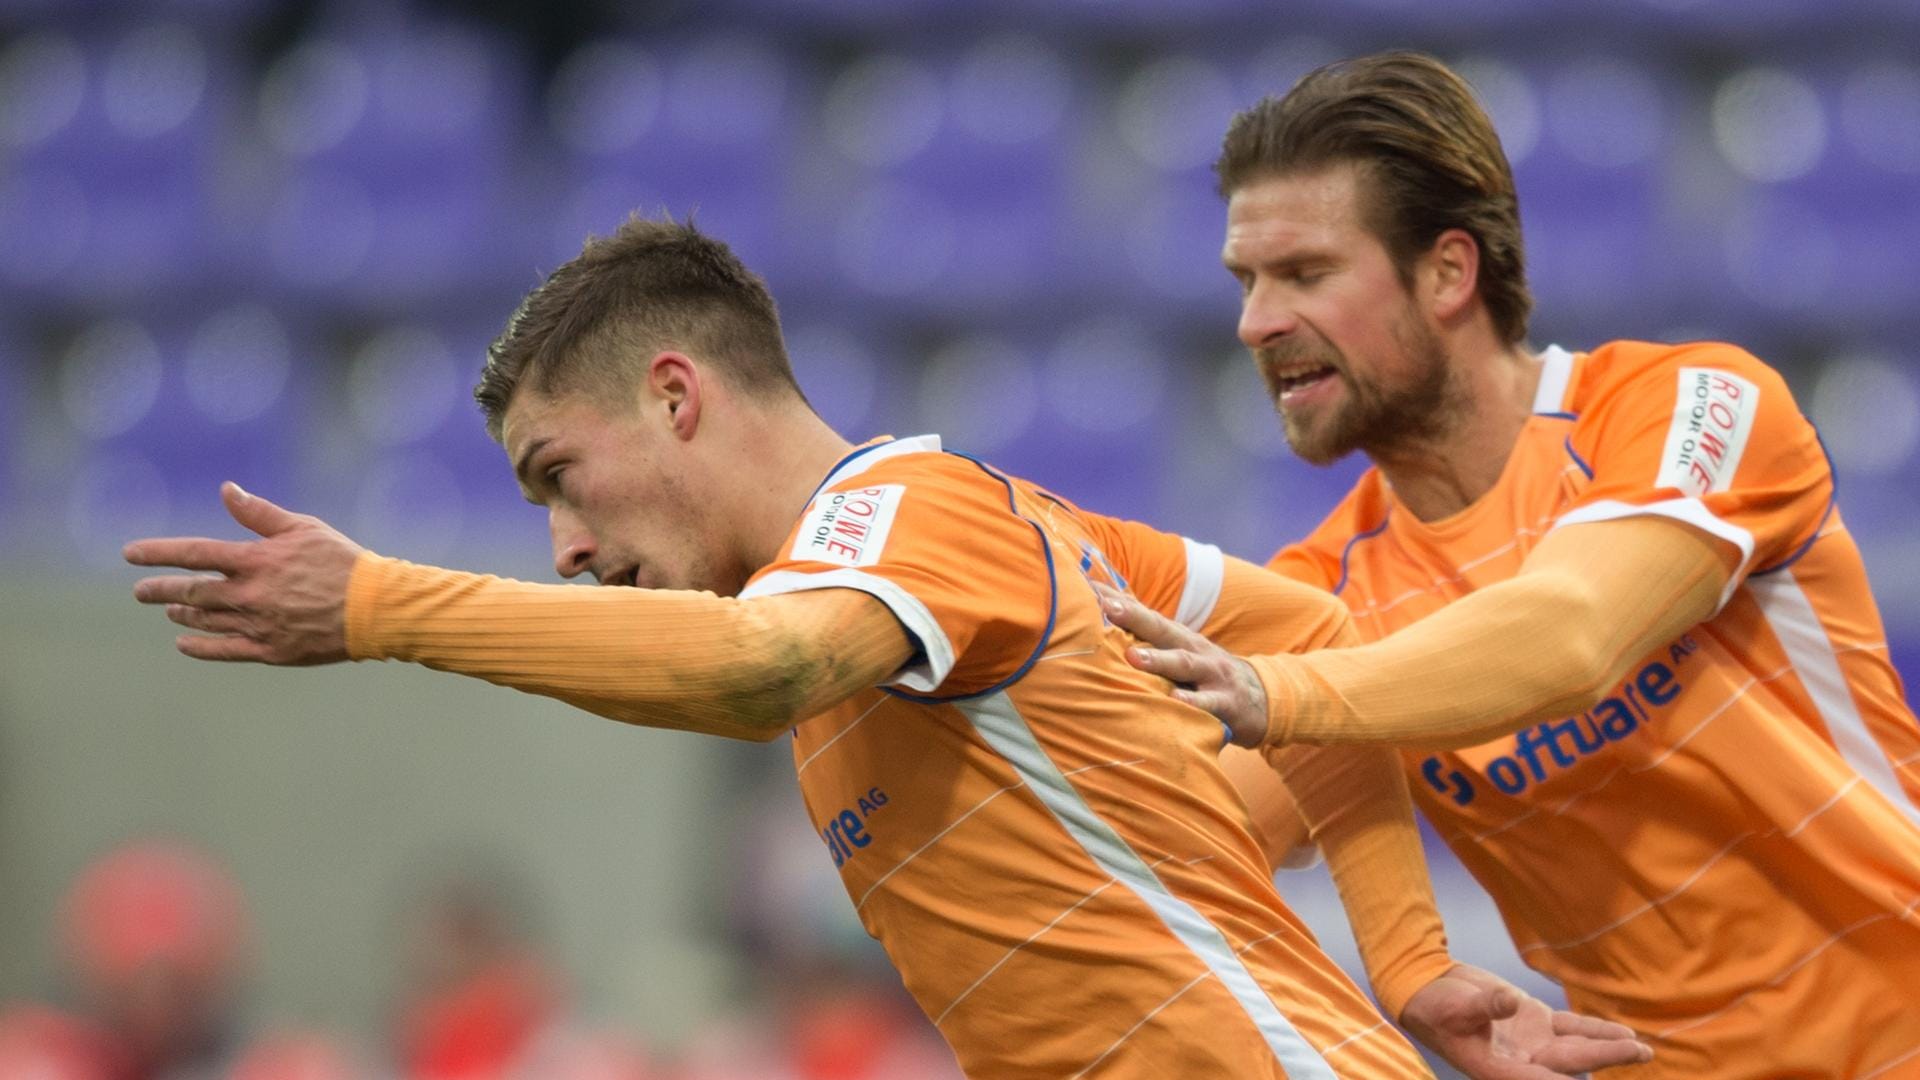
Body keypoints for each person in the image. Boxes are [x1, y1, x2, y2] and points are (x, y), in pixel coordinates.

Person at [125, 217, 1649, 1079]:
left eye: (556, 480)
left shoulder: (908, 521)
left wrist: (383, 606)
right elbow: (1318, 651)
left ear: (675, 395)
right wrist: (1411, 971)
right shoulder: (1011, 534)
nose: (566, 547)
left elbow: (757, 672)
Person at [1098, 50, 1920, 1079]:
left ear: (1448, 272)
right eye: (1248, 280)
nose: (1255, 321)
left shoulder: (1688, 405)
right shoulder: (1323, 598)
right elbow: (1185, 834)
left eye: (1305, 273)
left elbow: (1575, 634)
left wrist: (1276, 691)